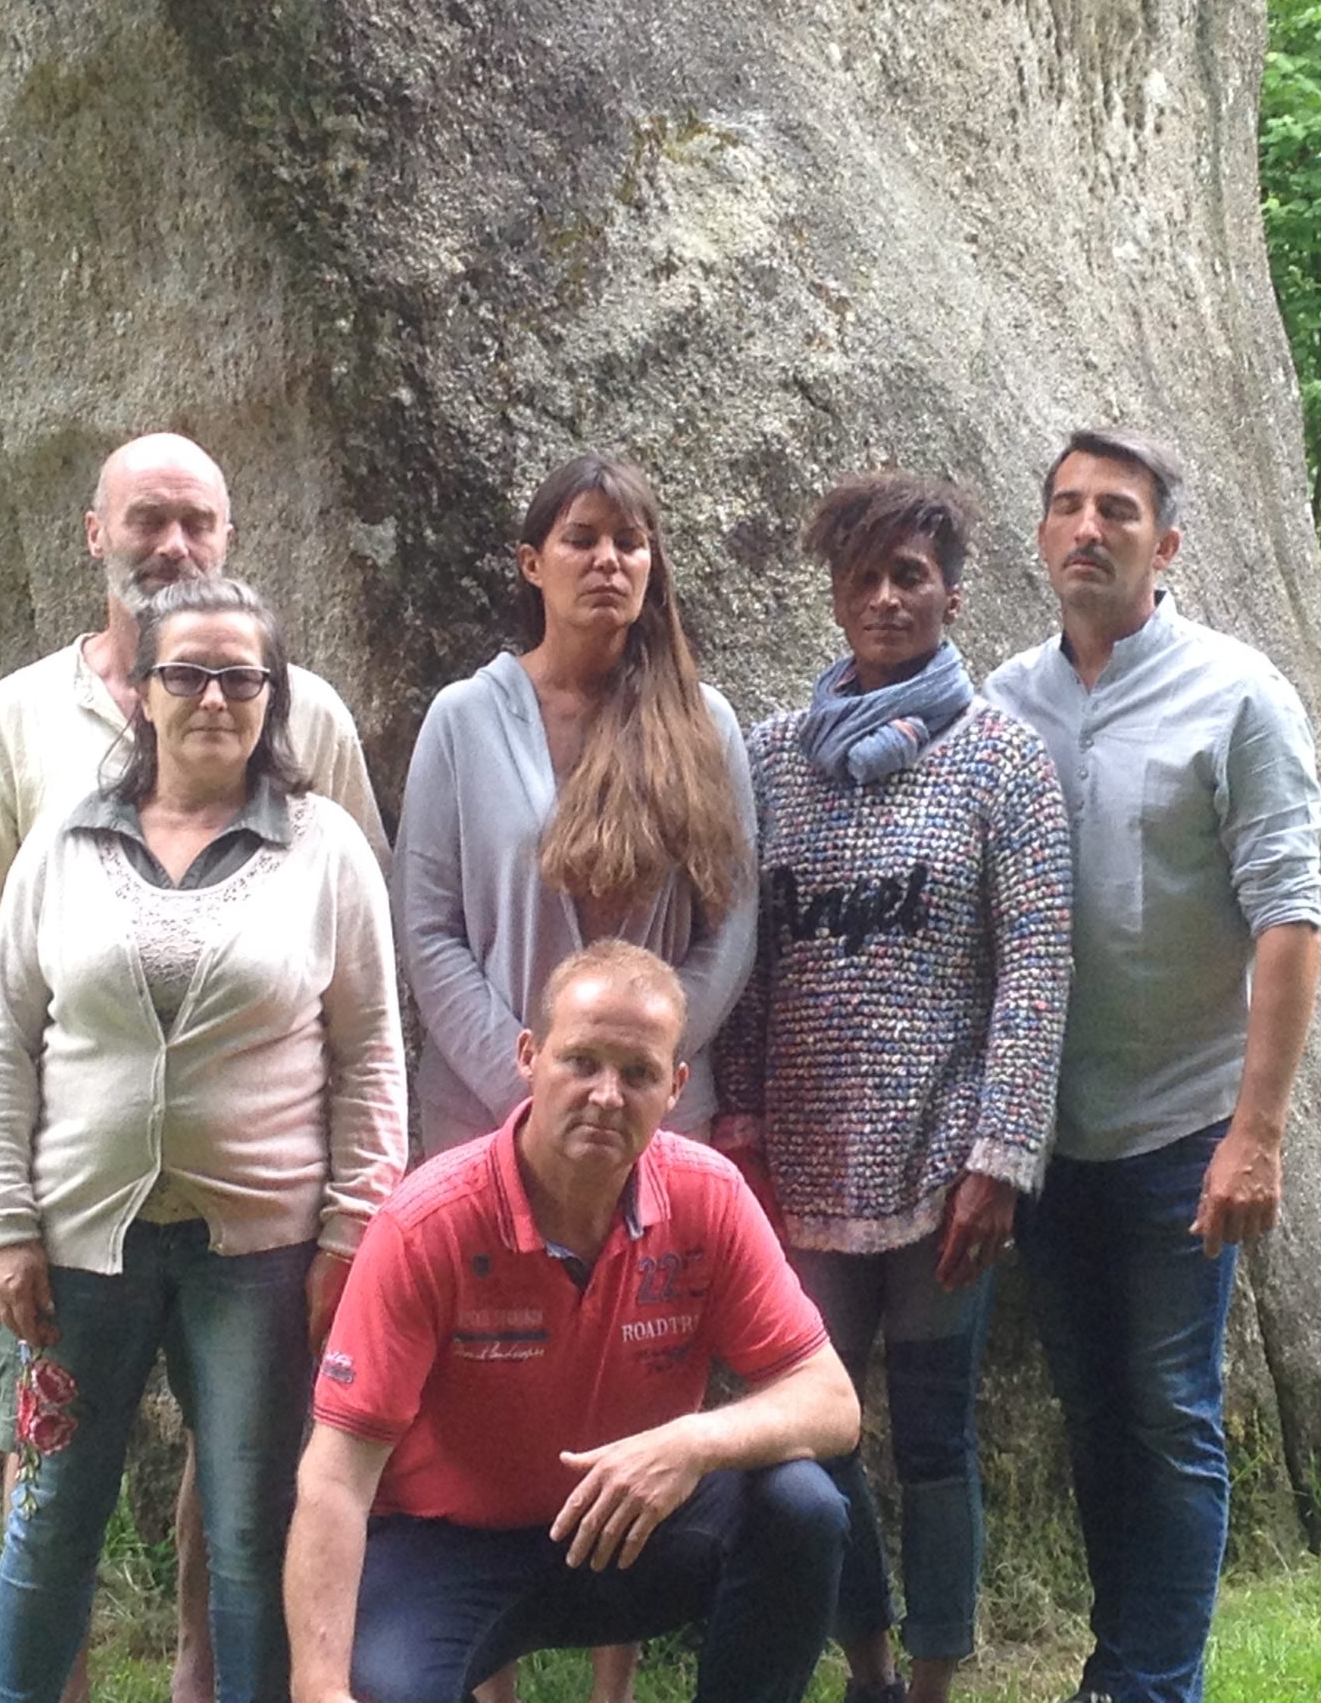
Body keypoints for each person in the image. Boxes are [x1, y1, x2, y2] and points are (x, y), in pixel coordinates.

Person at [0, 431, 387, 1702]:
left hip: (255, 1236)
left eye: (239, 679)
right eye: (147, 519)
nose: (214, 700)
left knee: (248, 1520)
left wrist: (354, 1221)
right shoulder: (41, 779)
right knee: (49, 1508)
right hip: (76, 1230)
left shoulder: (318, 793)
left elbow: (367, 1028)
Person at [392, 451, 758, 1703]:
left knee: (640, 1380)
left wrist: (637, 1079)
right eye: (585, 538)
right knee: (482, 1386)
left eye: (632, 542)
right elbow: (427, 922)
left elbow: (731, 923)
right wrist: (529, 1090)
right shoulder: (462, 718)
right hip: (481, 1114)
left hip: (652, 1126)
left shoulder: (700, 727)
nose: (610, 561)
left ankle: (613, 1677)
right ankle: (482, 1666)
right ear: (530, 562)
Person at [712, 473, 1073, 1703]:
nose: (882, 597)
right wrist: (742, 1123)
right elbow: (746, 961)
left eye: (907, 575)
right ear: (832, 596)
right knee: (823, 1434)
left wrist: (1000, 1157)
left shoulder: (1004, 763)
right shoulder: (770, 760)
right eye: (861, 576)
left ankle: (930, 1682)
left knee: (930, 1437)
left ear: (951, 594)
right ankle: (860, 1663)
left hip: (940, 1170)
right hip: (801, 1165)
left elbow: (1035, 966)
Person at [283, 941, 858, 1703]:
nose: (607, 1095)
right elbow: (336, 1475)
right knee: (385, 1690)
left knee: (804, 1506)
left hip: (628, 1532)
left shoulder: (709, 1197)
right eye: (581, 1061)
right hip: (448, 1545)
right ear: (529, 1056)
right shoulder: (427, 1225)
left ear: (676, 1086)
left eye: (639, 1073)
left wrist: (691, 1443)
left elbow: (831, 1401)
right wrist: (319, 1690)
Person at [984, 430, 1321, 1703]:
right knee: (1093, 1413)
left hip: (1183, 1123)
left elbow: (1290, 918)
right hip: (1046, 1130)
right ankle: (1118, 1666)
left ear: (1164, 544)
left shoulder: (1238, 697)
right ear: (1040, 537)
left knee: (1170, 1417)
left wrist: (1259, 1132)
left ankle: (1150, 1682)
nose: (1087, 529)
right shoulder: (1004, 696)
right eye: (1066, 507)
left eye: (1116, 511)